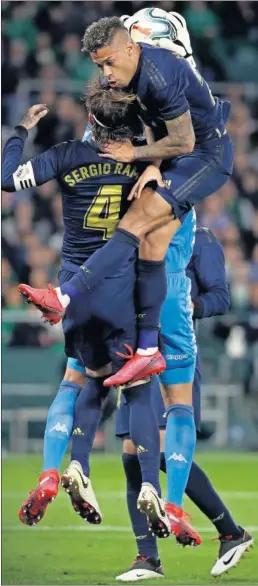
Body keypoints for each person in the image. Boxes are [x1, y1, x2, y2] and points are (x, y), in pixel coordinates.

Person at [15, 12, 233, 540]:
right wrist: (152, 164)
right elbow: (181, 134)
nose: (108, 72)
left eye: (109, 61)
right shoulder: (157, 111)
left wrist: (144, 157)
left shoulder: (139, 101)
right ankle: (174, 509)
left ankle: (73, 468)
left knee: (83, 379)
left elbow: (181, 141)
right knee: (162, 400)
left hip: (118, 284)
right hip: (159, 294)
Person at [2, 87, 180, 533]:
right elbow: (179, 164)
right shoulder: (137, 159)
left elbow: (7, 178)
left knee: (77, 377)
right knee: (137, 384)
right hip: (121, 289)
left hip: (73, 292)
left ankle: (59, 467)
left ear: (92, 121)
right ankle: (150, 489)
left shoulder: (66, 155)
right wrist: (154, 161)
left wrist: (20, 130)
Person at [115, 228, 253, 581]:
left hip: (175, 353)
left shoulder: (201, 239)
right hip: (135, 351)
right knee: (132, 455)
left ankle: (230, 531)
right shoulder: (136, 232)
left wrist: (189, 302)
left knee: (158, 450)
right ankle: (148, 557)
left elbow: (220, 296)